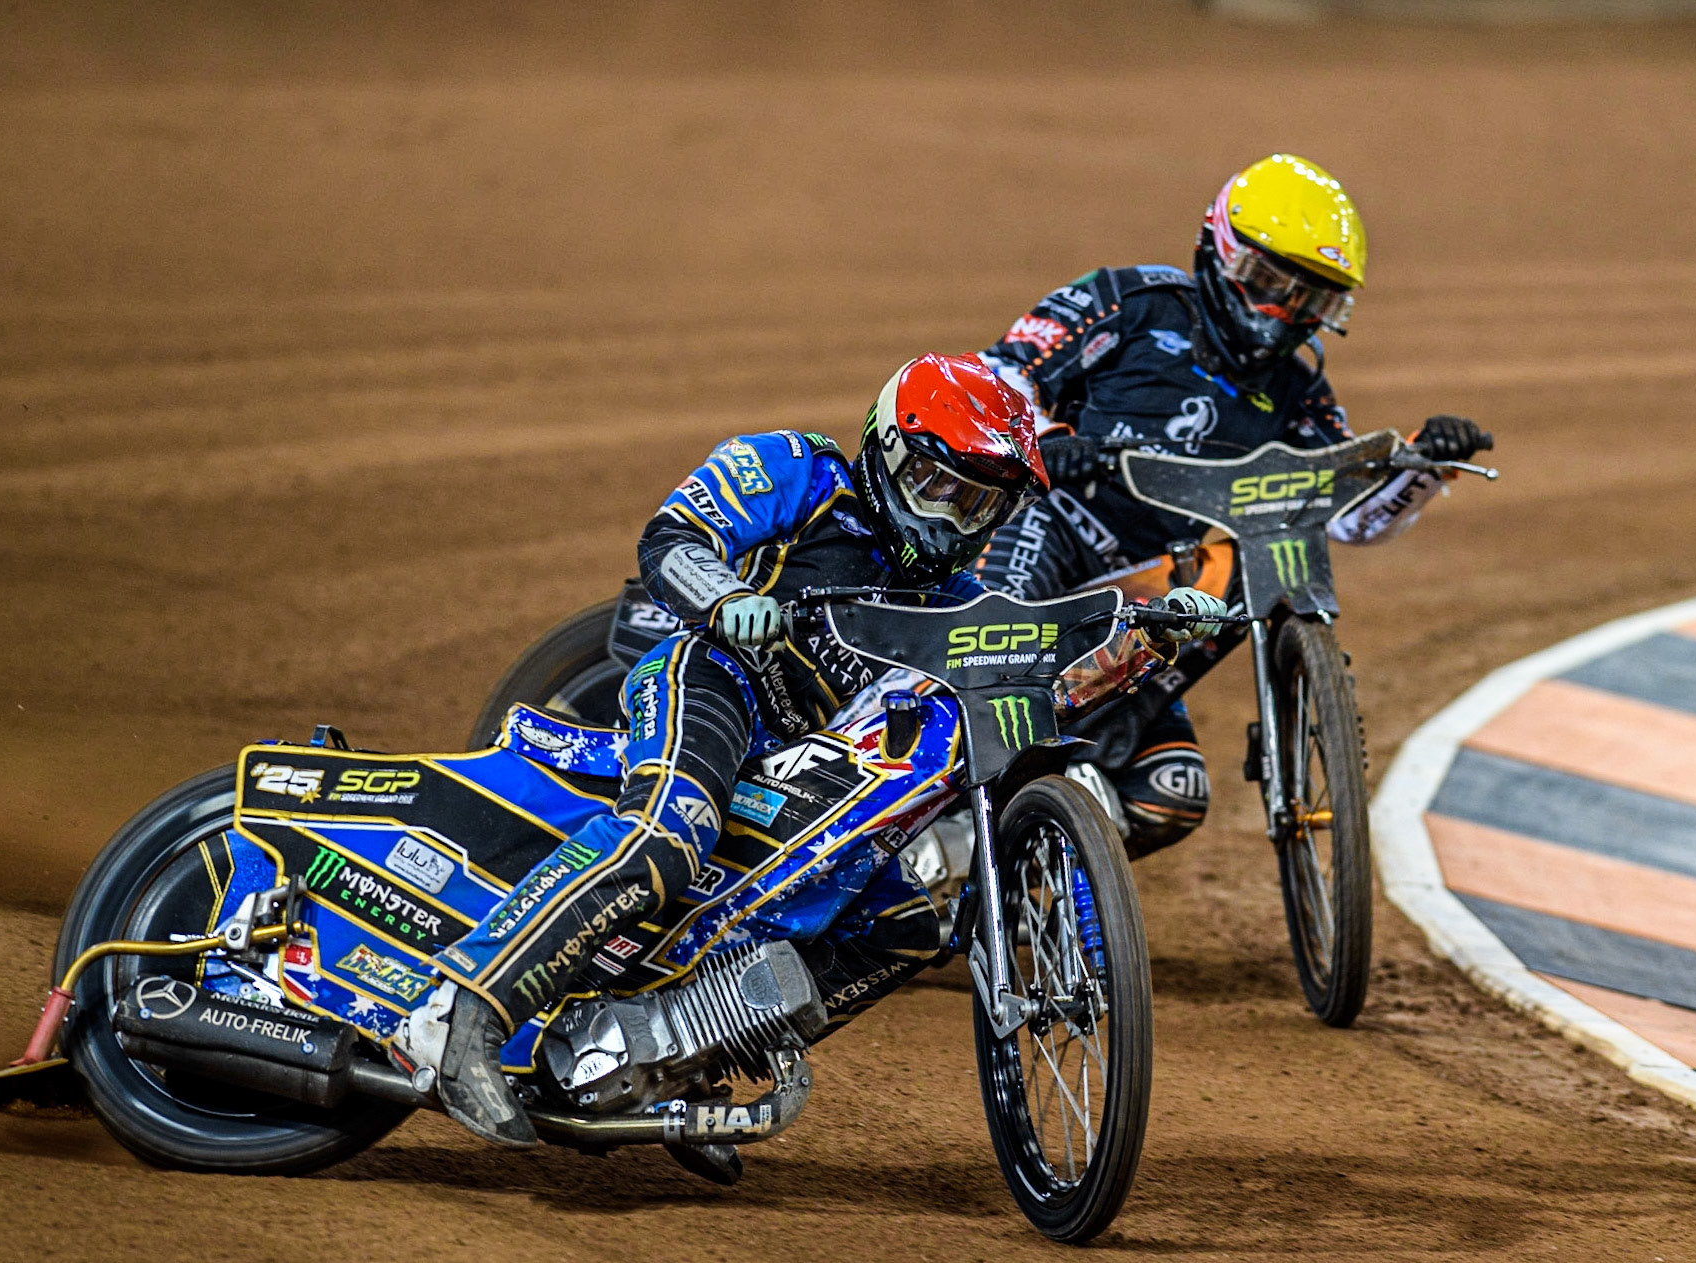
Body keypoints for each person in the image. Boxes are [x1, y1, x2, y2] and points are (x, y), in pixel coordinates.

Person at [397, 352, 1228, 1147]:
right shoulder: (799, 469)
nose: (953, 521)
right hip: (714, 679)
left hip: (814, 761)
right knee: (670, 831)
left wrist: (1149, 640)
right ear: (890, 450)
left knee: (904, 923)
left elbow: (1044, 679)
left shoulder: (962, 601)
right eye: (941, 488)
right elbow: (670, 538)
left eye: (979, 506)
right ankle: (464, 1010)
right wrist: (726, 597)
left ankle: (674, 1061)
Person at [973, 153, 1492, 858]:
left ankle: (1034, 897)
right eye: (1272, 282)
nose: (1284, 313)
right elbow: (999, 374)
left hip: (1155, 596)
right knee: (986, 668)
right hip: (1058, 532)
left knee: (1172, 794)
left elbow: (1344, 512)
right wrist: (1049, 441)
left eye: (1310, 298)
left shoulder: (1298, 387)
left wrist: (1422, 468)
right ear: (1220, 250)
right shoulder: (1128, 301)